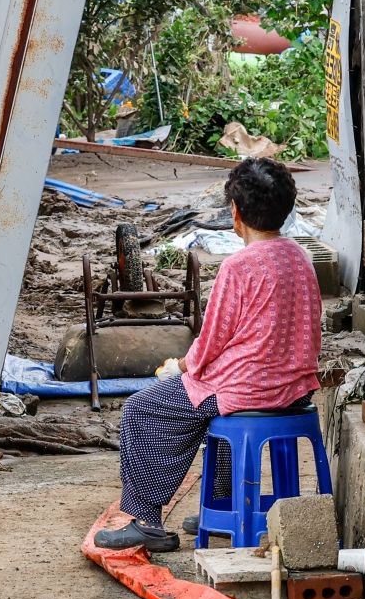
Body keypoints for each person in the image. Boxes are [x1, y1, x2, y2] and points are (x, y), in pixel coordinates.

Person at [94, 158, 322, 552]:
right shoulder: (301, 257)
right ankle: (224, 504)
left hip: (246, 390)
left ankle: (146, 518)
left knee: (142, 409)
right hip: (296, 388)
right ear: (287, 209)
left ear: (235, 213)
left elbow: (210, 342)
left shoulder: (239, 266)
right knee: (207, 407)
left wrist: (179, 367)